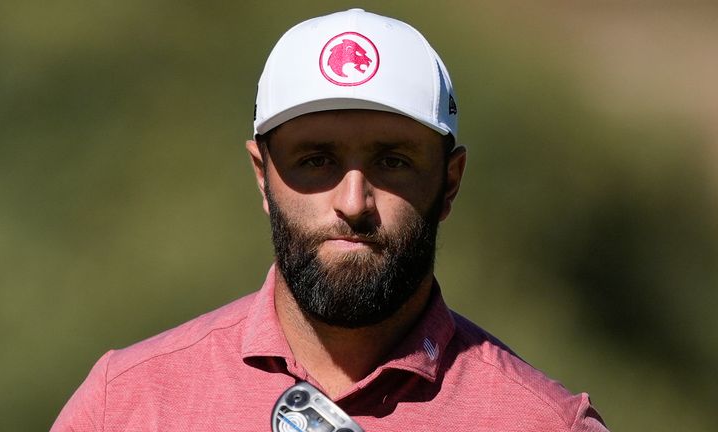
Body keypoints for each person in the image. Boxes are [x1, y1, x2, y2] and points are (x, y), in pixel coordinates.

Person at [51, 9, 609, 431]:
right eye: (316, 160)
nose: (353, 200)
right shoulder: (127, 404)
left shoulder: (541, 423)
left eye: (393, 161)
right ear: (262, 177)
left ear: (450, 182)